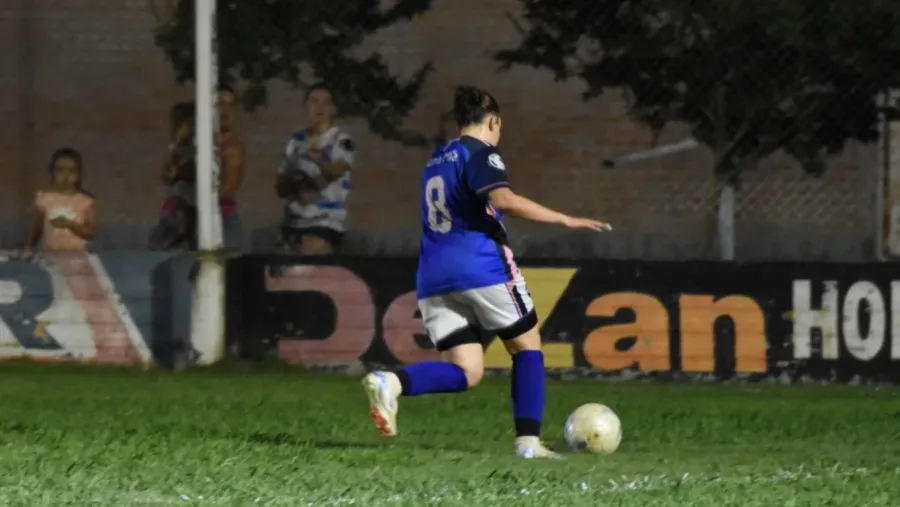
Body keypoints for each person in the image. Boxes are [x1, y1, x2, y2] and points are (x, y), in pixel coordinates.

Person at [362, 85, 611, 459]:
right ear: (493, 121)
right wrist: (565, 219)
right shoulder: (480, 152)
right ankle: (528, 443)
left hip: (433, 276)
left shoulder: (437, 159)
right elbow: (503, 199)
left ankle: (390, 382)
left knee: (467, 370)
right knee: (527, 346)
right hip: (481, 267)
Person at [275, 83, 356, 255]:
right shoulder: (295, 141)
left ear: (333, 108)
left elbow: (335, 171)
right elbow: (280, 187)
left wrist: (317, 160)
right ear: (306, 106)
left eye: (325, 103)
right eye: (314, 101)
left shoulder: (341, 141)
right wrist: (295, 184)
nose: (319, 107)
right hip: (293, 221)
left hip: (325, 221)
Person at [27, 148, 98, 251]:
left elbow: (91, 233)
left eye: (71, 171)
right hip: (50, 254)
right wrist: (30, 247)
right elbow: (37, 228)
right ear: (52, 173)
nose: (66, 175)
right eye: (60, 170)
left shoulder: (85, 202)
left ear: (78, 175)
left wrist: (71, 225)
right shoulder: (45, 199)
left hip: (77, 255)